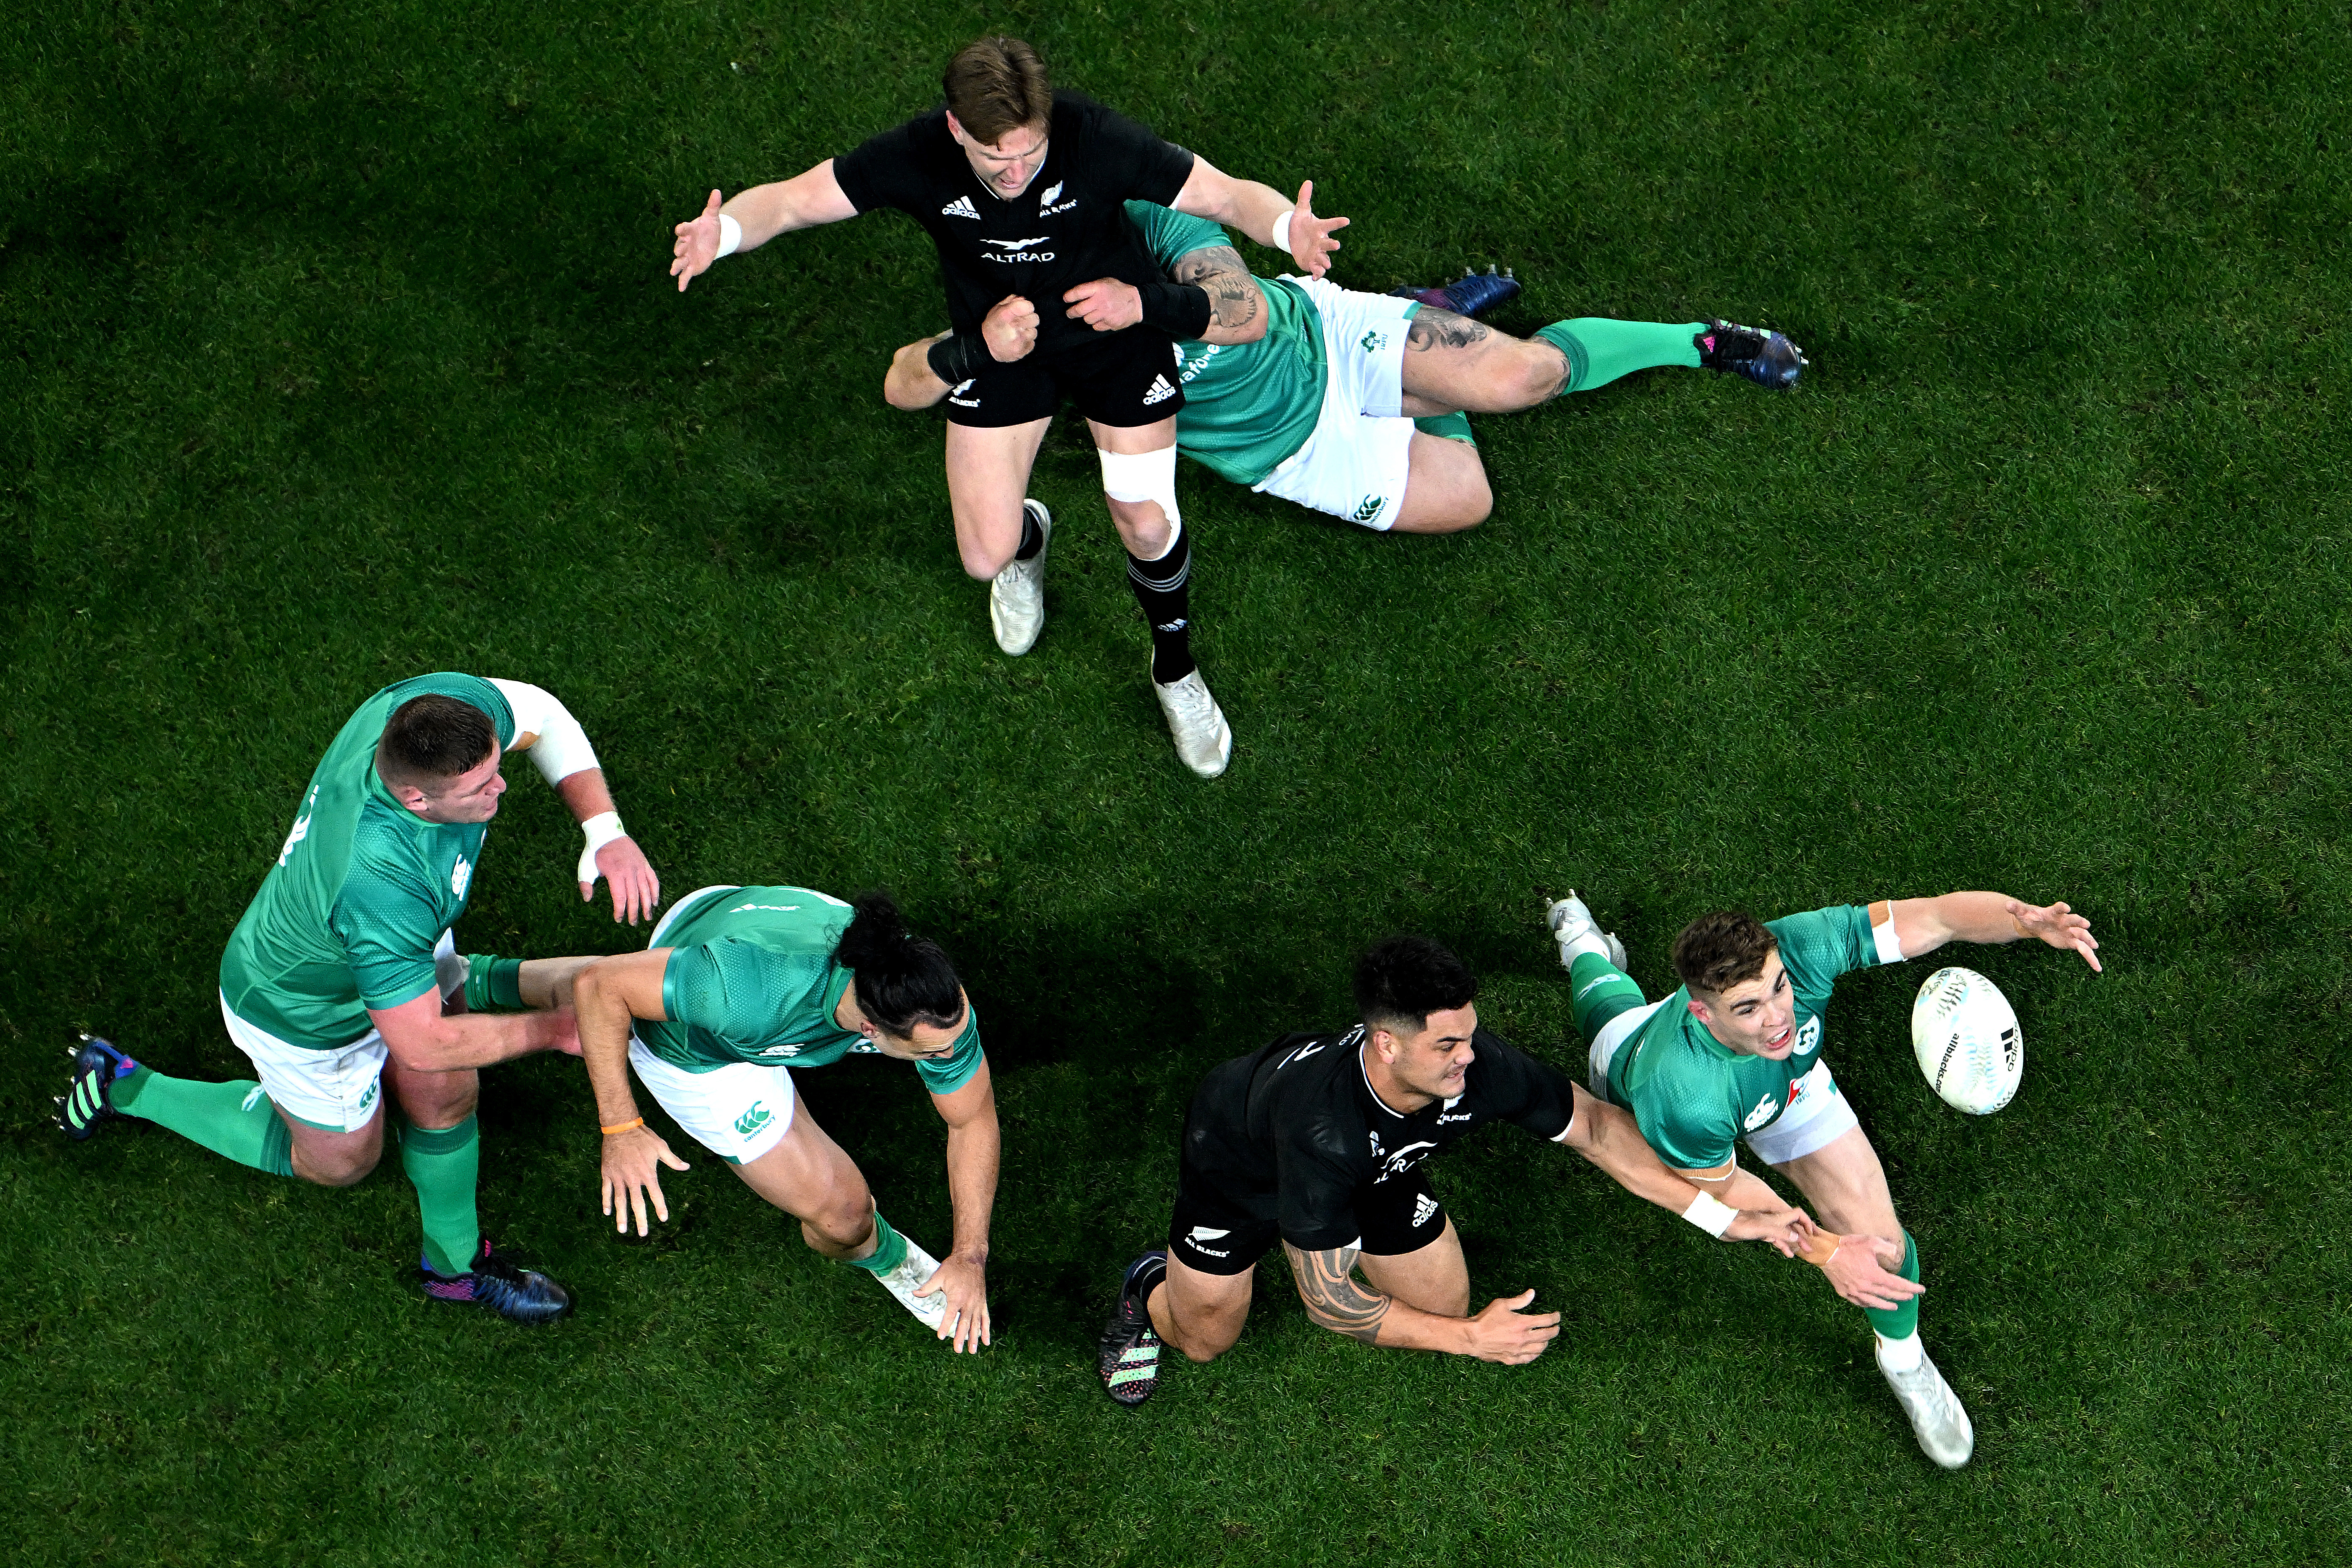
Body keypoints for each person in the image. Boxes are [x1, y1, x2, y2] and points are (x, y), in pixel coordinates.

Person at [667, 34, 1348, 777]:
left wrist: (1287, 228)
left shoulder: (1092, 136)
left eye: (1031, 153)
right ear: (957, 130)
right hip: (1000, 343)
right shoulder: (916, 154)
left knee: (1146, 521)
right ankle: (1030, 540)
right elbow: (795, 201)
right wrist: (724, 231)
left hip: (1110, 328)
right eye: (998, 162)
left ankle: (1174, 670)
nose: (1018, 174)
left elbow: (1222, 193)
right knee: (982, 554)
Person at [56, 673, 662, 1322]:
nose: (502, 786)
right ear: (415, 799)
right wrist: (555, 1030)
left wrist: (605, 830)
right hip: (303, 1006)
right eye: (480, 787)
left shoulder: (422, 713)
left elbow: (541, 714)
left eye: (494, 766)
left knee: (448, 1089)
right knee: (343, 1161)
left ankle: (454, 1268)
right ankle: (125, 1082)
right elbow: (422, 1043)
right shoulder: (380, 883)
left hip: (397, 949)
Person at [1093, 935, 1812, 1405]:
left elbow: (1594, 1125)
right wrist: (1474, 1338)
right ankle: (1147, 1286)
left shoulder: (1473, 1063)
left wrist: (1722, 1216)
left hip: (1376, 1169)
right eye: (1447, 1044)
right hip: (1241, 1169)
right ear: (1384, 1044)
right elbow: (1328, 1303)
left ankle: (1350, 1215)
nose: (1470, 1056)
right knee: (1205, 1341)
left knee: (1435, 1306)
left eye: (1468, 1034)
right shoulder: (1322, 1131)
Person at [1544, 888, 2103, 1467]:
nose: (1777, 1016)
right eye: (1747, 1008)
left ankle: (1903, 1360)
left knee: (1883, 1248)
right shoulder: (1678, 1096)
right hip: (1642, 1069)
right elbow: (1730, 1194)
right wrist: (1827, 1252)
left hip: (1788, 1087)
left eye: (1777, 988)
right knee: (1605, 1008)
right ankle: (1578, 940)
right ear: (1702, 1011)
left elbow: (1936, 917)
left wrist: (2022, 921)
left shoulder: (1797, 948)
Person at [885, 200, 1804, 535]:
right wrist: (968, 353)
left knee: (1529, 379)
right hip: (1286, 454)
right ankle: (1433, 329)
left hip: (1320, 332)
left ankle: (1701, 341)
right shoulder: (1027, 324)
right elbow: (903, 384)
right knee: (1469, 501)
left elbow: (1240, 314)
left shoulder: (1153, 223)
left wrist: (1143, 309)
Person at [562, 884, 1000, 1352]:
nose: (952, 1053)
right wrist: (622, 1127)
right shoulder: (742, 992)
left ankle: (492, 977)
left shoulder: (928, 999)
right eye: (935, 1050)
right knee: (846, 1219)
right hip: (695, 1046)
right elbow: (599, 985)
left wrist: (970, 1255)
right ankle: (891, 1260)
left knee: (632, 978)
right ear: (870, 1030)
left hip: (734, 941)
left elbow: (970, 1120)